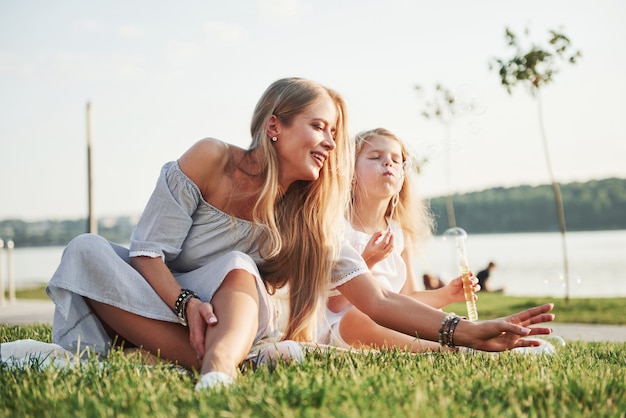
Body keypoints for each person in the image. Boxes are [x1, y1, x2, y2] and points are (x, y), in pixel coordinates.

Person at [46, 78, 554, 391]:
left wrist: (462, 333)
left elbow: (374, 299)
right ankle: (211, 353)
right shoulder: (210, 159)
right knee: (85, 250)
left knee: (238, 266)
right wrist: (185, 305)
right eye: (320, 127)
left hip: (237, 316)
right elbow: (147, 253)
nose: (333, 142)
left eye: (336, 132)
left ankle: (219, 371)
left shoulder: (313, 211)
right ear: (275, 126)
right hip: (167, 301)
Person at [318, 128, 481, 353]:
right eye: (375, 157)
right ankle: (444, 349)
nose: (388, 163)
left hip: (390, 322)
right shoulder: (337, 226)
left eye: (397, 160)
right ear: (350, 174)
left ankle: (458, 341)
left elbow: (408, 299)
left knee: (431, 318)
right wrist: (367, 262)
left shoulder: (398, 232)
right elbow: (331, 304)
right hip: (339, 327)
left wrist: (447, 294)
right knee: (359, 317)